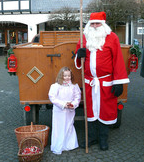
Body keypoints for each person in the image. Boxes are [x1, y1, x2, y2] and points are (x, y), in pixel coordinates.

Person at [74, 11, 130, 150]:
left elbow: (118, 60)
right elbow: (78, 62)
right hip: (90, 83)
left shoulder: (112, 38)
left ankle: (103, 139)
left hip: (106, 82)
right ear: (89, 25)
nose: (95, 26)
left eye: (97, 23)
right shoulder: (84, 38)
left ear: (103, 24)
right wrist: (78, 55)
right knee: (91, 111)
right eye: (92, 23)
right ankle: (92, 137)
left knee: (105, 111)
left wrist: (119, 82)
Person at [48, 66, 81, 155]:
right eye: (65, 76)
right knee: (59, 127)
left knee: (69, 125)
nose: (67, 78)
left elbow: (77, 97)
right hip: (59, 110)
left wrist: (73, 104)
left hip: (70, 110)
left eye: (69, 76)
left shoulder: (74, 87)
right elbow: (52, 97)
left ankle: (69, 144)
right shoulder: (56, 86)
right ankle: (59, 145)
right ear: (61, 76)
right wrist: (63, 104)